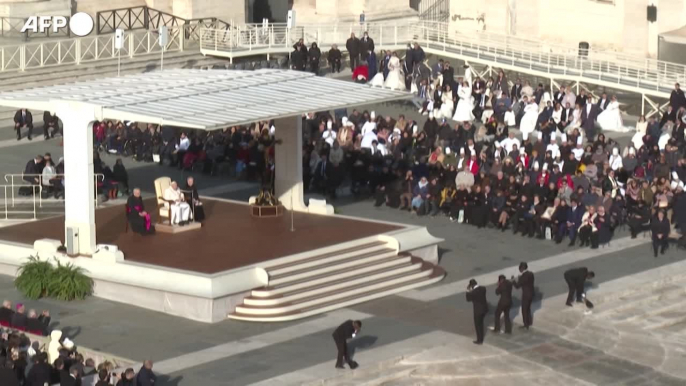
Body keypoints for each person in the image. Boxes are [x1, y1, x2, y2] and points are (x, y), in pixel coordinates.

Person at [512, 262, 534, 329]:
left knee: (524, 309)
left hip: (526, 295)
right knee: (528, 308)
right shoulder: (531, 274)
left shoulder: (523, 277)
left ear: (522, 268)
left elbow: (517, 286)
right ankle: (529, 321)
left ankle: (526, 324)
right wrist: (520, 278)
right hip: (531, 293)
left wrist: (513, 280)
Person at [466, 278, 488, 344]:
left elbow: (468, 299)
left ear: (471, 286)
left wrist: (468, 291)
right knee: (481, 323)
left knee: (478, 325)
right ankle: (481, 337)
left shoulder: (473, 293)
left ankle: (479, 340)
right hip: (484, 309)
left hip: (477, 311)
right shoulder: (483, 288)